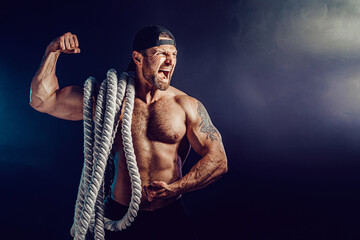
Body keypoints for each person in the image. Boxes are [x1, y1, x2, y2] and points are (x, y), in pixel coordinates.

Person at [30, 25, 228, 239]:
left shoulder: (185, 105)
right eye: (161, 53)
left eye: (174, 55)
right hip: (121, 215)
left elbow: (218, 160)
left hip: (170, 214)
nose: (170, 61)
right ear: (138, 57)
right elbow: (43, 100)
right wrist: (52, 51)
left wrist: (176, 188)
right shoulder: (109, 100)